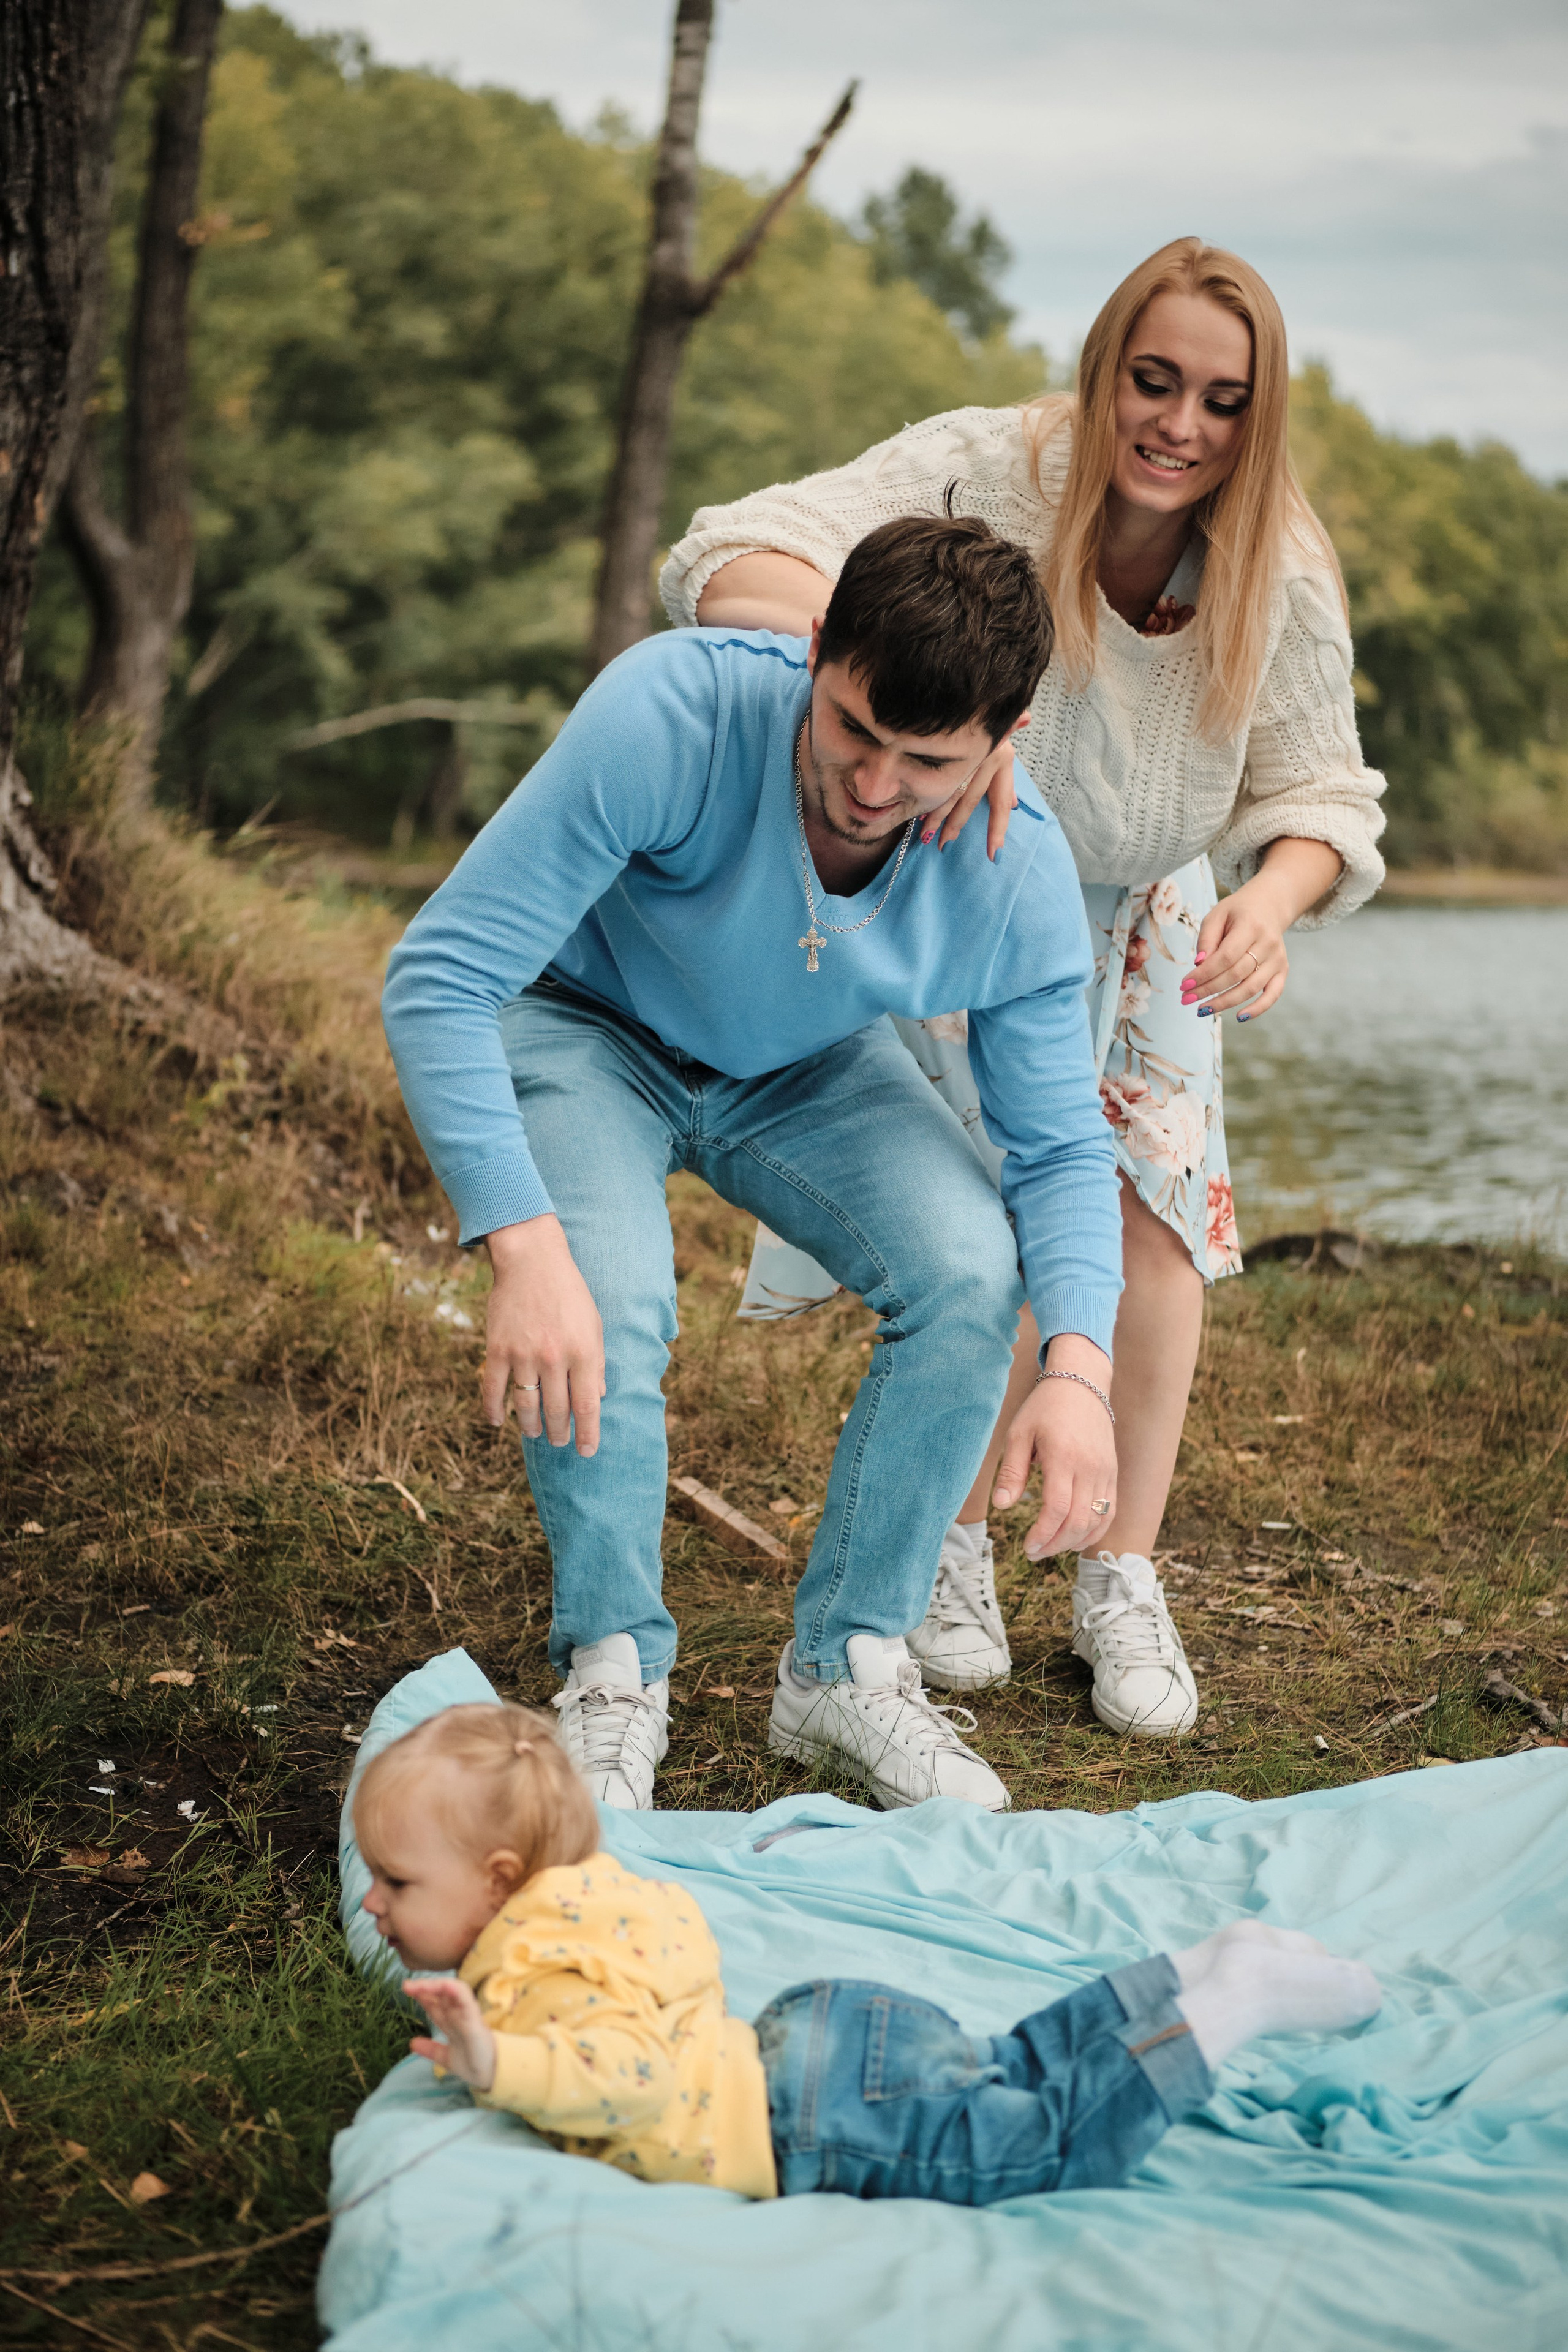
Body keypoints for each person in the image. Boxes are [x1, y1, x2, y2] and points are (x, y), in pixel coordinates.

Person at [663, 236, 1389, 1740]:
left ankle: (1118, 1568)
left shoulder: (1279, 563)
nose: (1179, 424)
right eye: (1154, 379)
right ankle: (949, 1543)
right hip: (975, 895)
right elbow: (736, 549)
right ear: (1105, 364)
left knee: (1154, 1222)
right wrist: (947, 713)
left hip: (1155, 911)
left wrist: (1272, 892)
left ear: (1258, 419)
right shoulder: (992, 468)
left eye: (1221, 399)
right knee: (988, 1212)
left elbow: (1321, 791)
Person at [382, 514, 1125, 1815]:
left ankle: (845, 1668)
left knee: (968, 1267)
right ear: (812, 656)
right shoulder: (670, 711)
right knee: (606, 1300)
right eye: (851, 730)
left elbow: (1059, 1145)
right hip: (584, 1026)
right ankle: (613, 1669)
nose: (876, 786)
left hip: (810, 1067)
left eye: (928, 760)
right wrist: (522, 1237)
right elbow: (440, 977)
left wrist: (1079, 1369)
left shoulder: (1018, 867)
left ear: (1003, 742)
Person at [356, 1700, 1384, 2204]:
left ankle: (1232, 1998)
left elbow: (622, 2077)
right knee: (1016, 2071)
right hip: (813, 2036)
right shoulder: (608, 1897)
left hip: (801, 2121)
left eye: (398, 1883)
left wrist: (500, 2063)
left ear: (497, 1880)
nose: (373, 1902)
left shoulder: (529, 1971)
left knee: (1052, 2143)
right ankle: (1193, 1971)